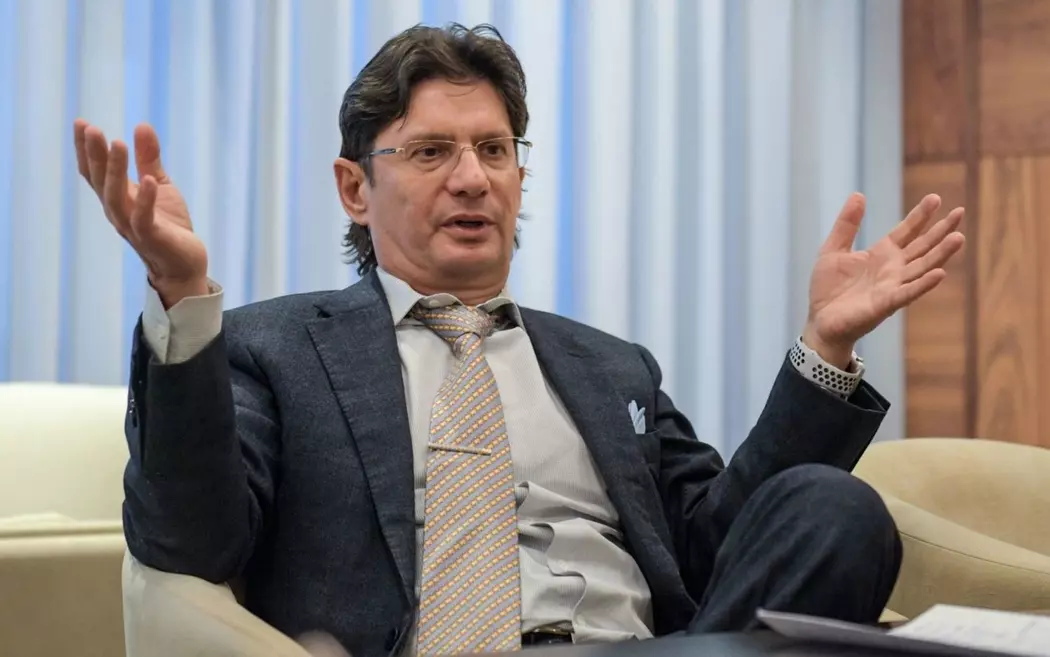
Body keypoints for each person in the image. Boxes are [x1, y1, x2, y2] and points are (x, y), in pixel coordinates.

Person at [74, 23, 964, 657]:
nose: (473, 179)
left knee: (834, 508)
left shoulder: (609, 365)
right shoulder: (274, 347)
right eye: (431, 152)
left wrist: (823, 349)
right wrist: (182, 297)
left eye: (495, 150)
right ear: (354, 188)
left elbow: (719, 550)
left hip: (642, 645)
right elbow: (190, 544)